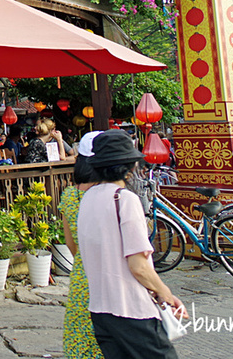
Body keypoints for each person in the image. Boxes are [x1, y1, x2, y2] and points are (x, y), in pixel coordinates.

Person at [78, 129, 185, 359]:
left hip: (100, 309)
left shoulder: (87, 200)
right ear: (130, 166)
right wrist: (164, 292)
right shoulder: (124, 199)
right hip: (131, 310)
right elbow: (139, 266)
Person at [59, 151, 103, 359]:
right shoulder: (111, 195)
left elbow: (70, 243)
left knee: (80, 336)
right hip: (107, 276)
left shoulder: (69, 195)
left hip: (81, 274)